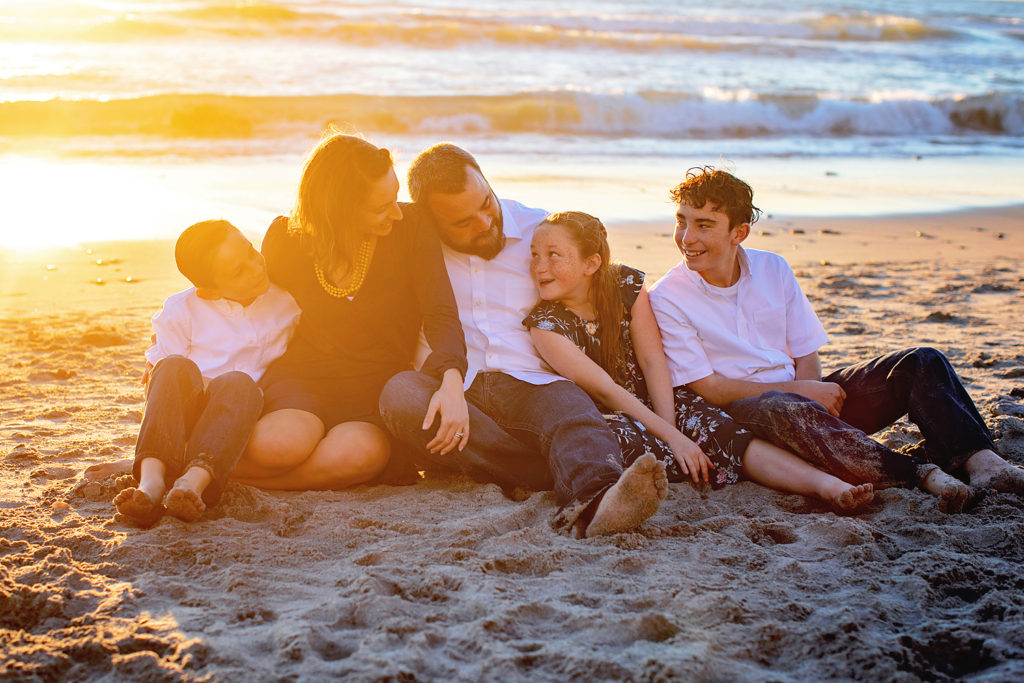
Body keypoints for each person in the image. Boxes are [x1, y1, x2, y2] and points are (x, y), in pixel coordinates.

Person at [648, 166, 1024, 512]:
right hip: (748, 416)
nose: (687, 237)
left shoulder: (772, 267)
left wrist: (812, 389)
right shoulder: (667, 296)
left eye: (704, 225)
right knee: (784, 405)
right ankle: (919, 473)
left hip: (806, 397)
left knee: (921, 362)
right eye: (681, 222)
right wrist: (803, 393)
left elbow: (804, 350)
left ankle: (984, 464)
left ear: (739, 232)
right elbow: (710, 389)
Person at [379, 143, 667, 537]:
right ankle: (547, 468)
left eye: (486, 203)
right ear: (432, 220)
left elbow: (594, 288)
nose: (483, 223)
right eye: (462, 222)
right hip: (453, 388)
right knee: (400, 395)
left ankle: (600, 500)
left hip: (530, 382)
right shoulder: (415, 243)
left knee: (571, 411)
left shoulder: (540, 231)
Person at [523, 210, 873, 511]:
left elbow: (653, 361)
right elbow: (609, 391)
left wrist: (672, 428)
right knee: (628, 443)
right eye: (535, 254)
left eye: (554, 255)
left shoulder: (625, 284)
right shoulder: (545, 326)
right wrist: (673, 440)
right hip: (612, 415)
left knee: (724, 434)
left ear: (591, 263)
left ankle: (827, 485)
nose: (540, 266)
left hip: (665, 401)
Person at [232, 134, 469, 490]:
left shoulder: (412, 225)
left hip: (375, 389)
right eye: (380, 207)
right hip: (303, 378)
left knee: (358, 455)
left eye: (395, 196)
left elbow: (440, 311)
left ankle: (222, 474)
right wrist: (172, 336)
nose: (396, 211)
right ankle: (214, 466)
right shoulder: (286, 238)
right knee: (278, 446)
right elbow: (243, 298)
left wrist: (452, 381)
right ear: (337, 210)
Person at [114, 219, 301, 527]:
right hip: (185, 413)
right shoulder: (181, 310)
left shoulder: (286, 306)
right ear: (210, 292)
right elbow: (162, 385)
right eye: (239, 271)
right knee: (173, 365)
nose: (256, 268)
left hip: (234, 415)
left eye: (252, 252)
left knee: (240, 383)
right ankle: (150, 482)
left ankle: (191, 484)